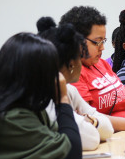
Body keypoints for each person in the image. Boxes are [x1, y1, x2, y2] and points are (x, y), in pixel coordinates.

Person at [0, 33, 81, 159]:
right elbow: (72, 151)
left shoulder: (23, 105)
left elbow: (58, 137)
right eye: (51, 71)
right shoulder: (10, 117)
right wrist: (62, 99)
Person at [37, 17, 114, 151]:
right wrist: (89, 120)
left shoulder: (69, 90)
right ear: (72, 64)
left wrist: (90, 120)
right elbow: (92, 140)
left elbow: (108, 129)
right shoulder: (50, 96)